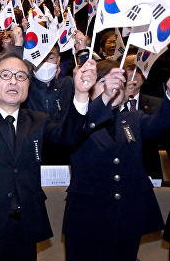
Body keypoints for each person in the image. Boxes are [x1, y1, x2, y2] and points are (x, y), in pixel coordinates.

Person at [0, 51, 99, 261]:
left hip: (25, 226)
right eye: (5, 75)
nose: (14, 81)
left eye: (21, 76)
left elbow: (68, 138)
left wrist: (81, 94)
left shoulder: (37, 120)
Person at [63, 59, 169, 261]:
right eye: (108, 83)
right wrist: (100, 99)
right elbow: (73, 132)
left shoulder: (133, 119)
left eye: (119, 85)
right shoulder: (77, 118)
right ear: (91, 85)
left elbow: (159, 123)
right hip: (87, 218)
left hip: (127, 216)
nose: (114, 89)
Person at [121, 51, 165, 179]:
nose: (134, 74)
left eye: (139, 69)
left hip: (149, 170)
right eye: (129, 68)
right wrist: (122, 102)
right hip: (117, 169)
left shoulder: (157, 104)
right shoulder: (109, 103)